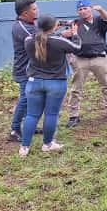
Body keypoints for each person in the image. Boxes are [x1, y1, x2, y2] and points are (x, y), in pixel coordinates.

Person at [20, 14, 82, 157]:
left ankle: (24, 147)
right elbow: (77, 47)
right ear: (54, 27)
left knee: (31, 115)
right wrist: (75, 34)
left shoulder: (28, 40)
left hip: (34, 83)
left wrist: (54, 30)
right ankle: (47, 144)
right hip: (56, 83)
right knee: (51, 114)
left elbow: (44, 38)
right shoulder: (59, 42)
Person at [65, 0, 107, 128]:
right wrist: (66, 34)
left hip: (99, 57)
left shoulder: (98, 21)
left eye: (85, 8)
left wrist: (100, 9)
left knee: (106, 85)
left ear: (90, 8)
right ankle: (73, 115)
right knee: (76, 88)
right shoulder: (75, 23)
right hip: (80, 59)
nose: (83, 11)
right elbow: (66, 36)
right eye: (80, 9)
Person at [8, 0, 38, 142]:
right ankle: (14, 130)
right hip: (24, 70)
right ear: (25, 13)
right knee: (25, 99)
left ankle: (29, 126)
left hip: (32, 69)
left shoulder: (30, 23)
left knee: (31, 98)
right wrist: (60, 34)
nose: (37, 11)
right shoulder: (21, 27)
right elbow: (41, 40)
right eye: (34, 9)